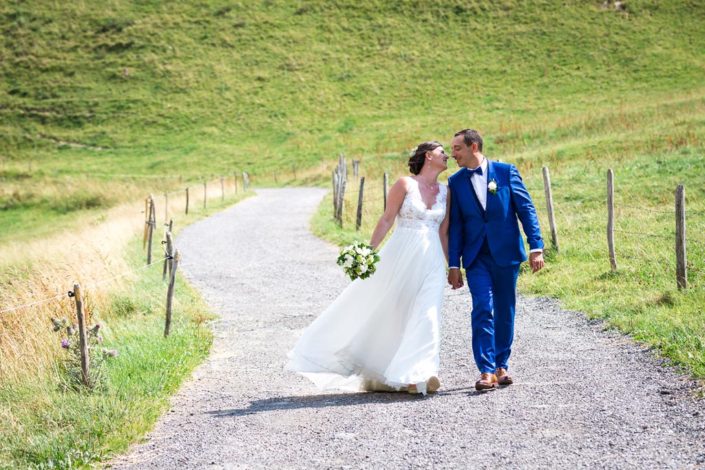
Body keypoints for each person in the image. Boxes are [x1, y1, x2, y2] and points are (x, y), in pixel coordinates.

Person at [287, 141, 450, 395]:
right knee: (395, 312)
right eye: (442, 152)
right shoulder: (404, 184)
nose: (447, 156)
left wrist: (452, 266)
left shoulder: (446, 191)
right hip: (402, 255)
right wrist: (368, 253)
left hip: (432, 260)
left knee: (428, 314)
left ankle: (422, 373)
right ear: (429, 156)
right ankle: (386, 370)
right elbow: (387, 219)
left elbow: (443, 232)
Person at [447, 129, 545, 391]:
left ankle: (502, 365)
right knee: (482, 307)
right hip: (476, 256)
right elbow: (455, 225)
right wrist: (453, 263)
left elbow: (526, 209)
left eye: (457, 148)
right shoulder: (455, 182)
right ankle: (486, 370)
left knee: (505, 309)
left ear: (474, 146)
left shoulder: (505, 172)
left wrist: (536, 246)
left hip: (506, 253)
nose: (452, 154)